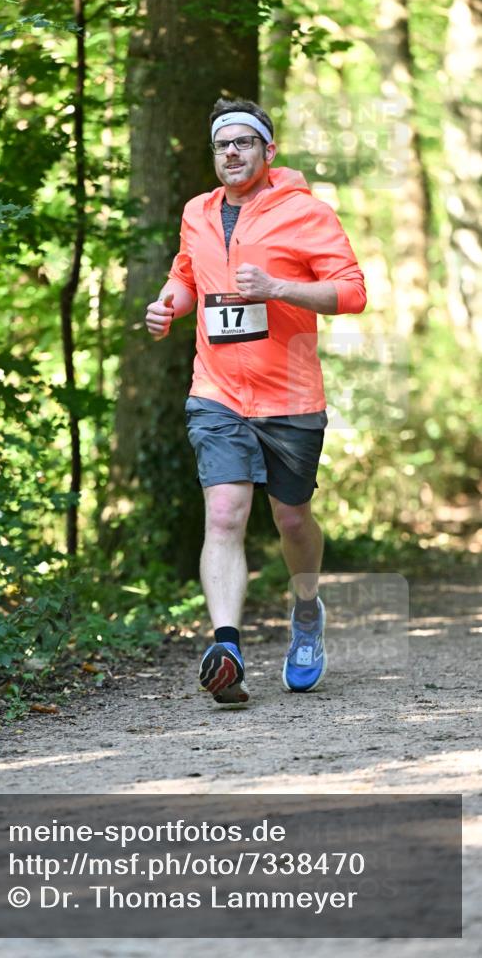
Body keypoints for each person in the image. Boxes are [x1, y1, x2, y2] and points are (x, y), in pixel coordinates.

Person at [145, 97, 366, 705]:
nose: (232, 153)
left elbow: (352, 292)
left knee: (291, 519)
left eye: (243, 142)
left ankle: (306, 611)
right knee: (223, 514)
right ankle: (227, 649)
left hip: (290, 392)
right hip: (216, 391)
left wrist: (277, 287)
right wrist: (168, 306)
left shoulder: (306, 213)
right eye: (222, 145)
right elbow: (186, 275)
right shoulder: (197, 212)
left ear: (269, 151)